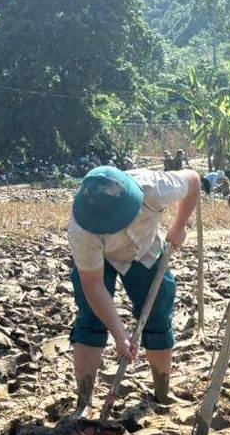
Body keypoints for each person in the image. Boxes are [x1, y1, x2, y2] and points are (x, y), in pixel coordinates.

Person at [68, 165, 201, 415]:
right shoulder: (82, 231)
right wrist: (120, 335)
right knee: (91, 318)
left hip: (145, 251)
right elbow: (93, 285)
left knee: (158, 313)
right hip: (100, 260)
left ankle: (162, 392)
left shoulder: (155, 187)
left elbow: (193, 181)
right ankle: (84, 402)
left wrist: (180, 225)